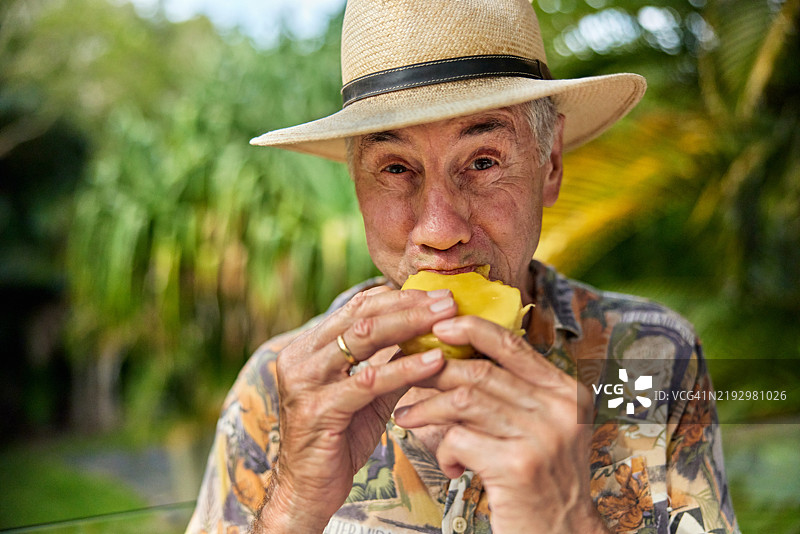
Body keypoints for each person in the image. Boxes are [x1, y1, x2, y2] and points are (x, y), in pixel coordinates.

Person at [186, 0, 739, 533]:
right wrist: (291, 507)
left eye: (482, 161)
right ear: (357, 188)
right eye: (396, 168)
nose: (440, 228)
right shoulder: (278, 383)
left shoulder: (652, 359)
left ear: (550, 163)